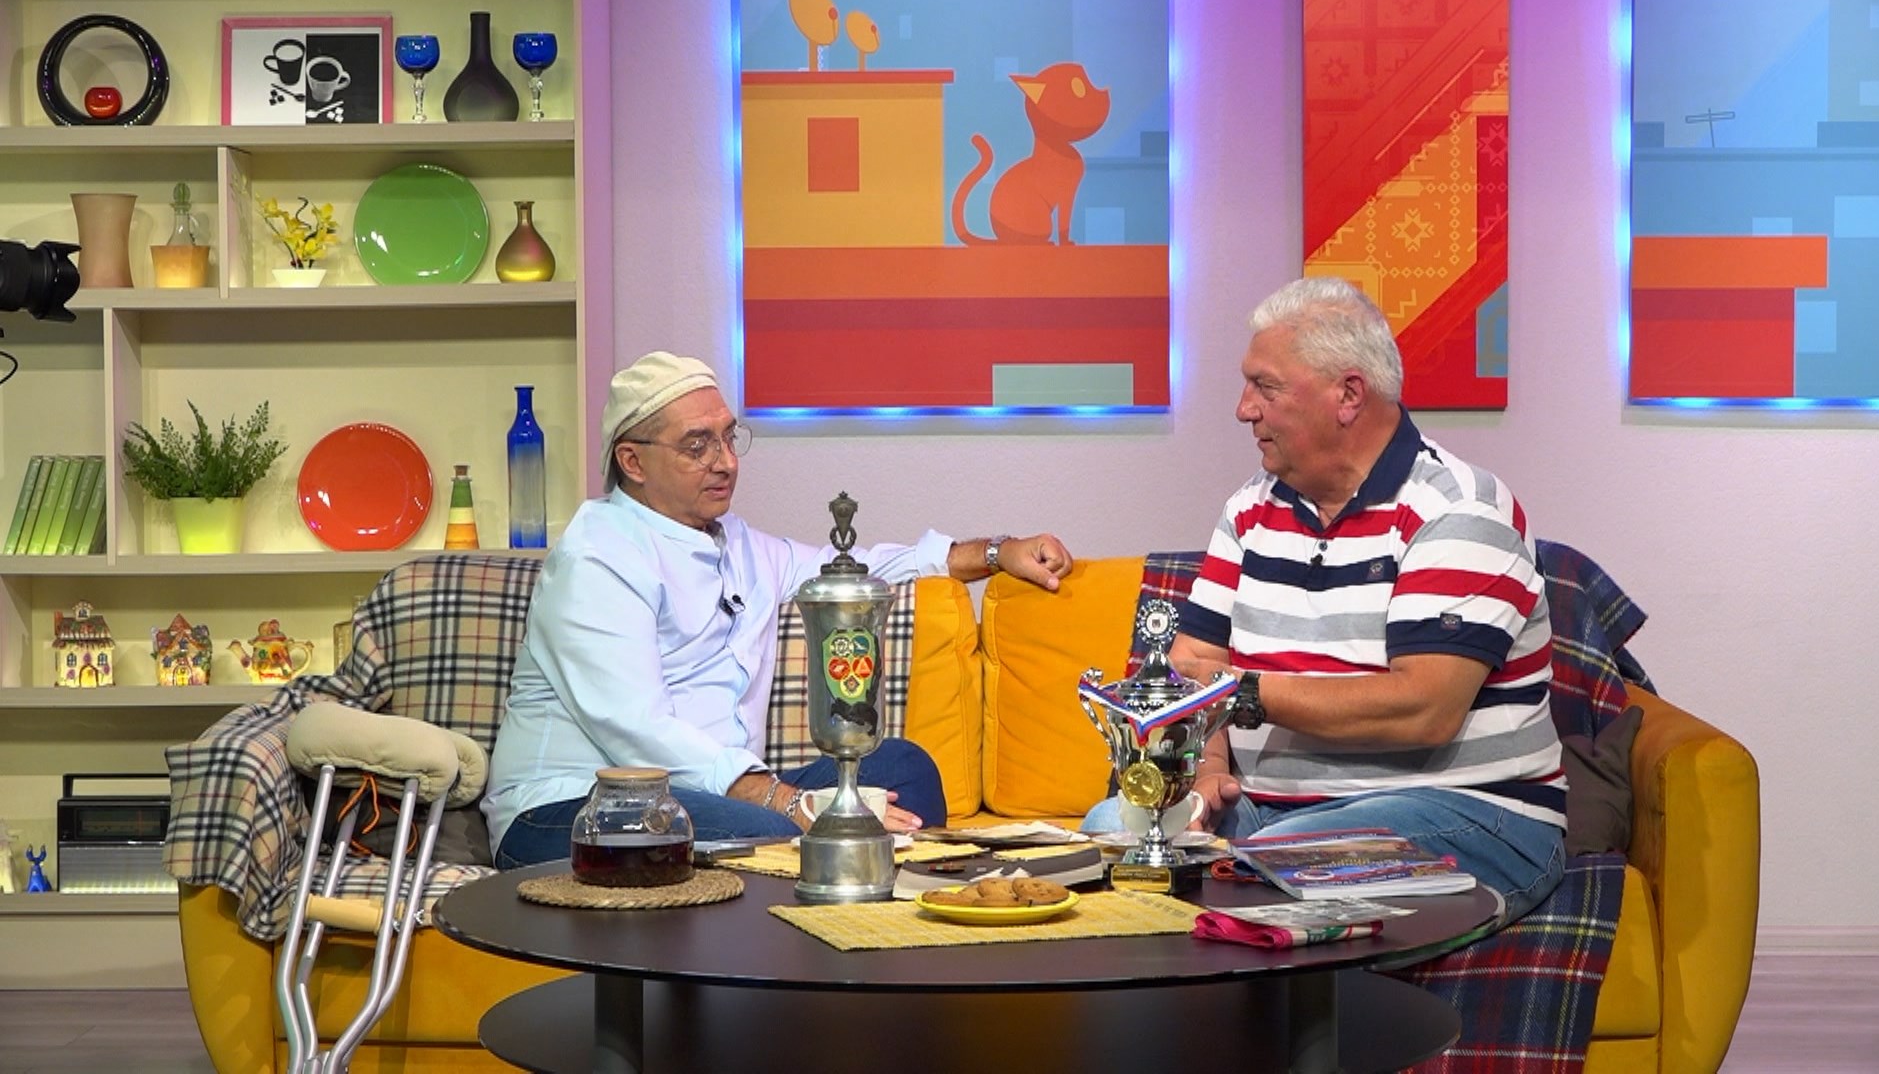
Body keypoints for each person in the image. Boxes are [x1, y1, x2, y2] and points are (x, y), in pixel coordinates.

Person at [1084, 277, 1565, 923]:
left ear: (1348, 395)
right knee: (1108, 830)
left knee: (1276, 862)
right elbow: (1194, 662)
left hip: (1466, 808)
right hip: (1269, 810)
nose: (1243, 409)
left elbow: (1424, 709)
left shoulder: (1459, 509)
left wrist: (1239, 693)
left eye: (1266, 387)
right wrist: (1209, 769)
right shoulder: (1250, 509)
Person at [483, 350, 1074, 869]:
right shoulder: (597, 556)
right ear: (633, 462)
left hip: (711, 798)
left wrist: (997, 552)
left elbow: (855, 570)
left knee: (904, 769)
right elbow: (636, 731)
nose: (725, 462)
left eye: (728, 438)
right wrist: (786, 802)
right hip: (572, 808)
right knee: (767, 836)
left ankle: (851, 917)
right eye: (697, 445)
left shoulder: (739, 544)